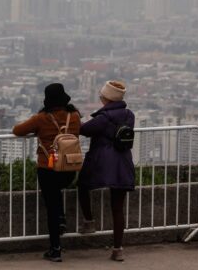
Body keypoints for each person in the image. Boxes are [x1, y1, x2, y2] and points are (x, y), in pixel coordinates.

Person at [13, 83, 81, 262]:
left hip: (47, 168)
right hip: (69, 167)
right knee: (57, 195)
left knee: (51, 207)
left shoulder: (41, 118)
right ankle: (61, 218)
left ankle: (55, 249)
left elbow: (17, 131)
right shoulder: (74, 116)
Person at [78, 80, 135, 262]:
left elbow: (84, 130)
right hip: (123, 163)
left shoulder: (103, 118)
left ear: (106, 98)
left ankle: (89, 221)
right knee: (117, 208)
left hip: (101, 162)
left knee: (82, 185)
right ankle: (118, 249)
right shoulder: (129, 115)